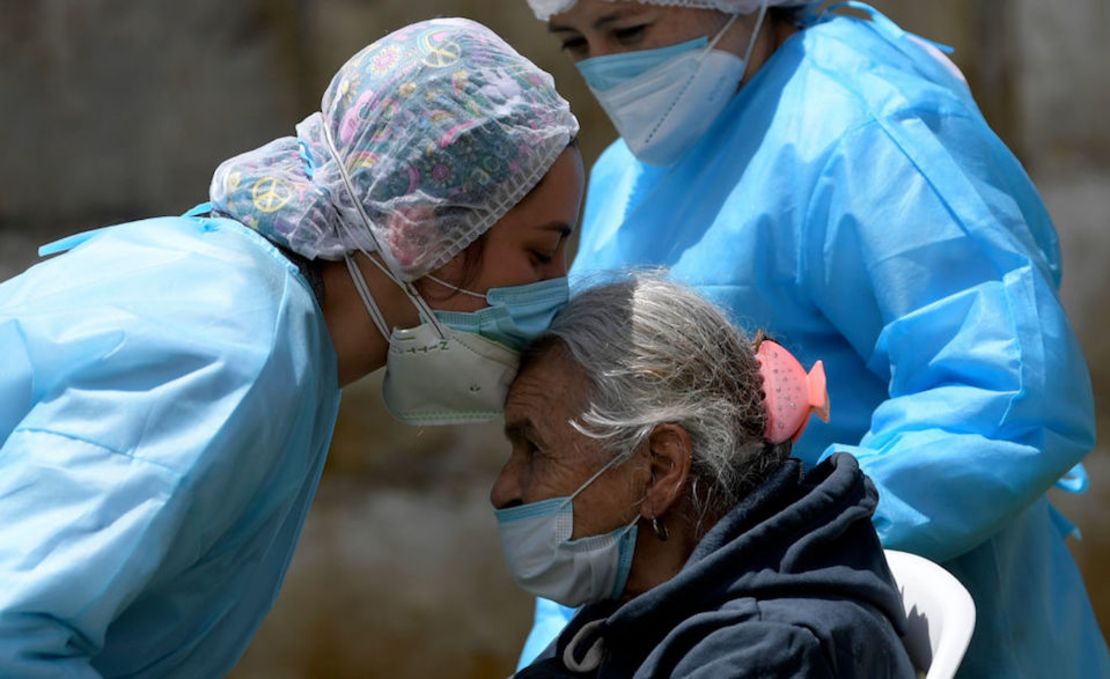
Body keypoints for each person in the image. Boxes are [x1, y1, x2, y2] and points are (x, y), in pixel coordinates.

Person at [518, 0, 1110, 676]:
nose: (606, 65)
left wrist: (771, 548)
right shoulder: (625, 180)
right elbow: (591, 469)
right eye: (572, 43)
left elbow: (1005, 390)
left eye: (629, 31)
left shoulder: (860, 123)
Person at [0, 18, 583, 677]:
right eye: (539, 253)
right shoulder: (234, 349)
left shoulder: (280, 331)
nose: (553, 292)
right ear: (424, 229)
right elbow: (11, 627)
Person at [492, 274, 916, 678]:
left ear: (659, 470)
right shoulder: (641, 608)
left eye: (536, 450)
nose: (502, 490)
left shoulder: (766, 653)